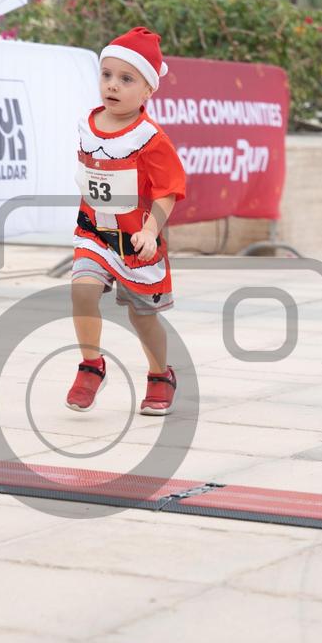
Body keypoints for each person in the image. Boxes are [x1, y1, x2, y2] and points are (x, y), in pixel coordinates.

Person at [66, 26, 186, 415]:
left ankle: (160, 375)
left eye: (126, 79)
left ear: (148, 90)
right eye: (107, 75)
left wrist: (150, 231)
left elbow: (168, 190)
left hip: (135, 243)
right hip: (94, 233)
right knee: (82, 291)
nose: (112, 85)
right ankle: (91, 366)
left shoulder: (150, 138)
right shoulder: (87, 124)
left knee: (142, 316)